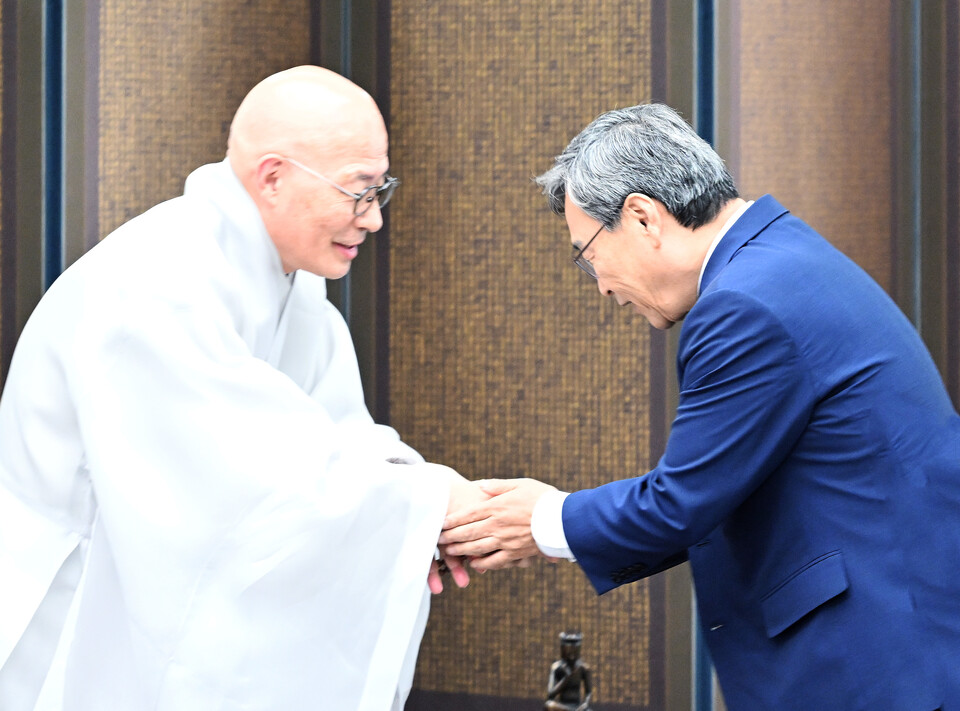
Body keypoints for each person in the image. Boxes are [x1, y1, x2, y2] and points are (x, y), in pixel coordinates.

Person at [441, 103, 960, 710]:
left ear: (641, 217)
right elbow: (716, 492)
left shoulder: (742, 305)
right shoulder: (778, 261)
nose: (603, 288)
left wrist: (543, 520)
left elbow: (680, 503)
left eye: (587, 257)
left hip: (873, 663)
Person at [0, 66, 479, 711]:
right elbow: (246, 476)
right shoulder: (155, 282)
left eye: (379, 191)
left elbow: (343, 437)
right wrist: (427, 506)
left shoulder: (298, 295)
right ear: (273, 176)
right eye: (357, 192)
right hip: (86, 603)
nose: (372, 220)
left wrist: (422, 507)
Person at [544, 631, 592, 711]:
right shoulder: (556, 667)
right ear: (563, 649)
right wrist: (566, 678)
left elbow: (588, 692)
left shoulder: (583, 668)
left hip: (577, 706)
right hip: (562, 707)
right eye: (568, 649)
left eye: (574, 649)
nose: (571, 653)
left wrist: (585, 703)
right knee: (549, 705)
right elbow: (550, 694)